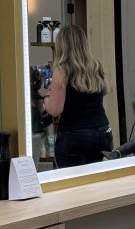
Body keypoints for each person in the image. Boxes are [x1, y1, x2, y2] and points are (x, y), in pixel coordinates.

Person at [43, 25, 112, 167]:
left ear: (62, 45)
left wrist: (46, 99)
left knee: (74, 187)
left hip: (73, 135)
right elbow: (106, 89)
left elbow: (55, 110)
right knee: (99, 185)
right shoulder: (95, 66)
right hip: (101, 132)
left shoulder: (62, 70)